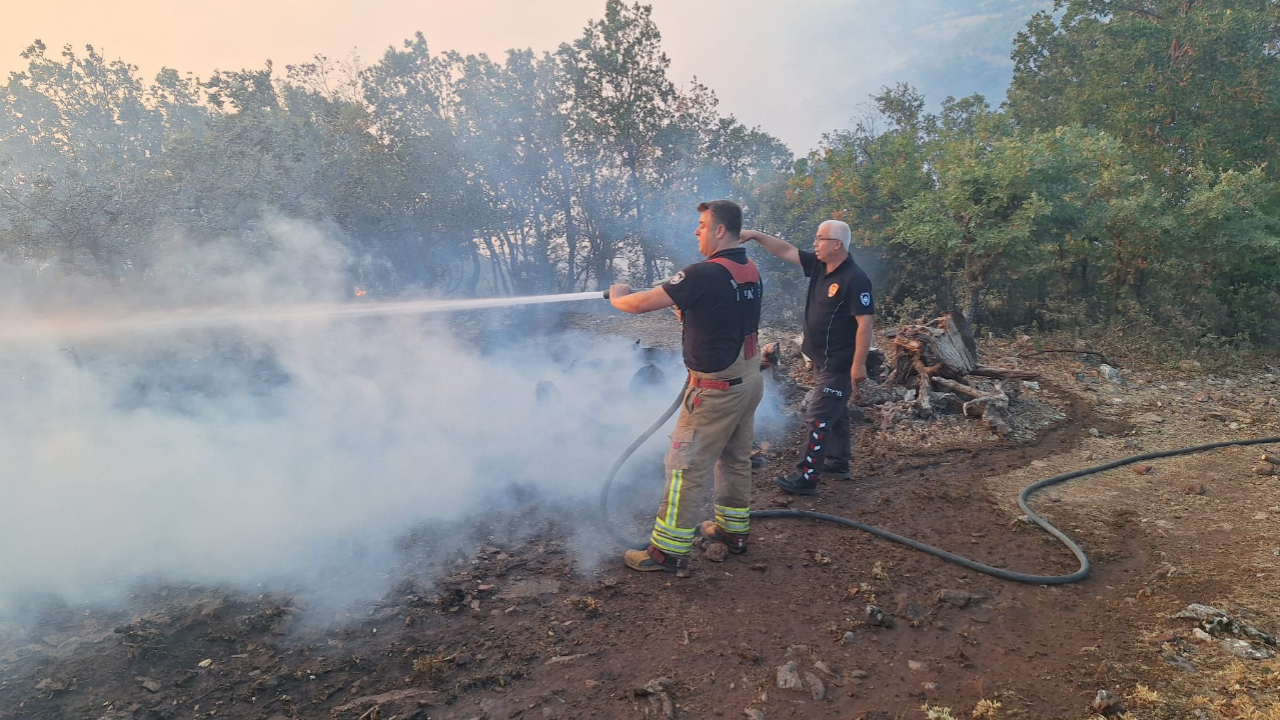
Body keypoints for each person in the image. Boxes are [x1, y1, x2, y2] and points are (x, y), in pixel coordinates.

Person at [608, 200, 765, 576]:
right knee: (734, 459)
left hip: (715, 390)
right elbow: (717, 311)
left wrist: (617, 297)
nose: (697, 231)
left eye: (701, 224)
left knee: (684, 467)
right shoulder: (747, 268)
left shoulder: (702, 273)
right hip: (747, 380)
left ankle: (666, 552)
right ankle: (732, 531)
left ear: (720, 230)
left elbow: (641, 303)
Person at [740, 220, 874, 496]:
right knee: (836, 414)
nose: (814, 244)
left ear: (837, 244)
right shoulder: (820, 266)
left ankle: (807, 476)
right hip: (820, 358)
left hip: (839, 362)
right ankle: (838, 463)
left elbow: (865, 324)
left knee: (819, 417)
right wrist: (754, 234)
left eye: (820, 238)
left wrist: (859, 364)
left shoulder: (855, 278)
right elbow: (786, 251)